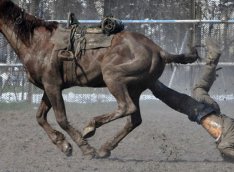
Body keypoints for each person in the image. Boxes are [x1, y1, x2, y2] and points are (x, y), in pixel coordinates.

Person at [192, 38, 234, 160]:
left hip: (220, 119)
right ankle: (213, 58)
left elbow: (224, 149)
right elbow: (224, 147)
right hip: (220, 118)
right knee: (198, 89)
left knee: (199, 89)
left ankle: (212, 64)